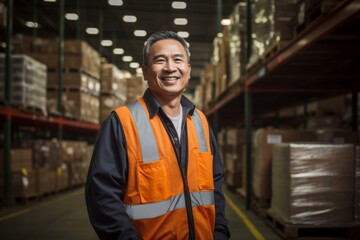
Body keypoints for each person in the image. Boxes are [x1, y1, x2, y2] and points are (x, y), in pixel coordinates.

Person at [85, 30, 230, 240]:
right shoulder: (122, 122)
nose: (170, 68)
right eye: (160, 60)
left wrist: (220, 232)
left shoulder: (200, 122)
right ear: (145, 71)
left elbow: (215, 185)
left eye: (178, 60)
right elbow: (102, 198)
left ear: (188, 70)